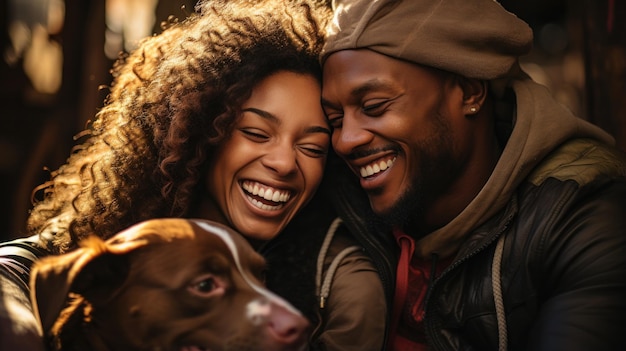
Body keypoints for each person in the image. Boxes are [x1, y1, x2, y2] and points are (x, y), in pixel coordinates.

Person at [0, 1, 385, 350]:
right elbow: (20, 266)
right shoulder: (118, 237)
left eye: (313, 148)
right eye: (255, 133)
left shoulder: (338, 281)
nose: (284, 163)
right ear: (200, 131)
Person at [320, 0, 626, 350]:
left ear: (469, 92)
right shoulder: (339, 208)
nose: (346, 140)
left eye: (374, 107)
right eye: (335, 121)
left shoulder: (586, 218)